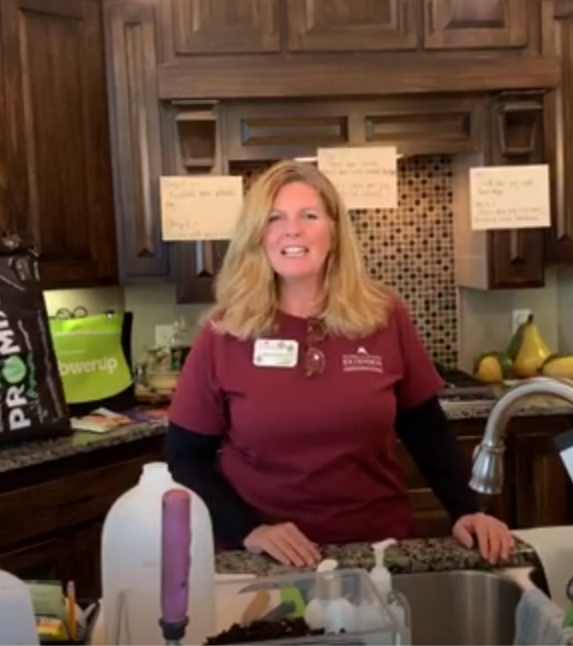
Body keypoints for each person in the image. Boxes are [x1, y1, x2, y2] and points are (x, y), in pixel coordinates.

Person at [165, 159, 515, 567]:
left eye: (308, 215)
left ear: (334, 230)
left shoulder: (383, 315)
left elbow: (426, 428)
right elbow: (185, 457)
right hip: (266, 558)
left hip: (377, 551)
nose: (291, 229)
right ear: (256, 236)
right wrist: (249, 530)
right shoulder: (224, 332)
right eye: (274, 217)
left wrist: (467, 509)